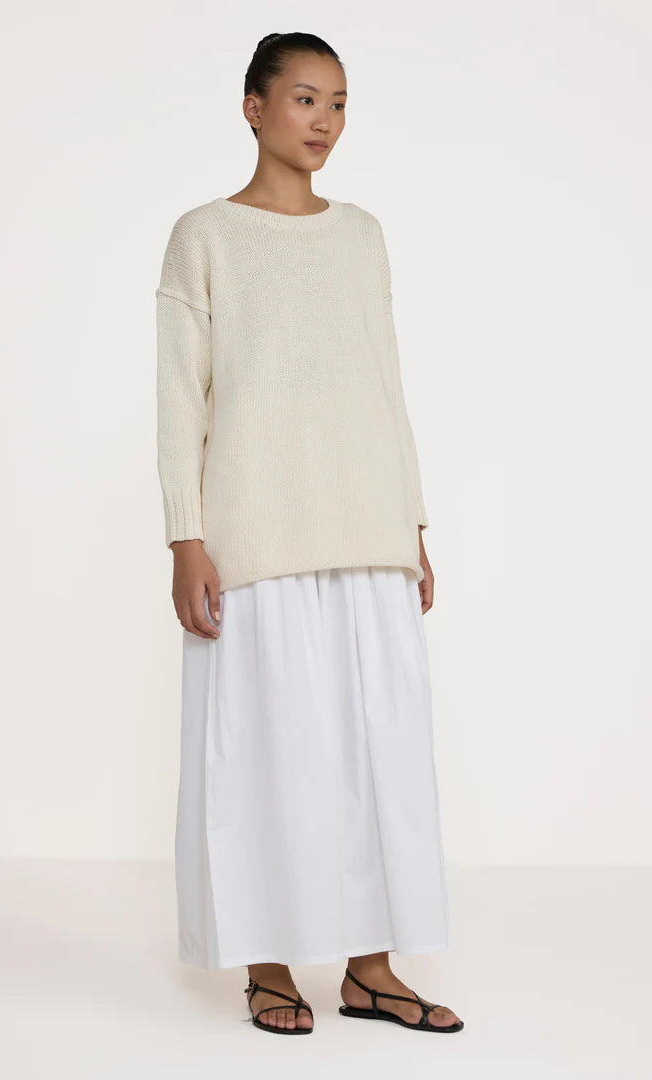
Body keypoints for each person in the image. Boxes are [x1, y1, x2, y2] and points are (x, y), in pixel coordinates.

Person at [155, 31, 464, 1036]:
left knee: (378, 755)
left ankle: (371, 969)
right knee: (265, 754)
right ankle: (268, 966)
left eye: (337, 103)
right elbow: (180, 396)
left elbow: (385, 380)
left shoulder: (362, 234)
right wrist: (187, 537)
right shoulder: (205, 235)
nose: (324, 120)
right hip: (256, 531)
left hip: (366, 525)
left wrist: (411, 521)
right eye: (303, 98)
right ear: (253, 107)